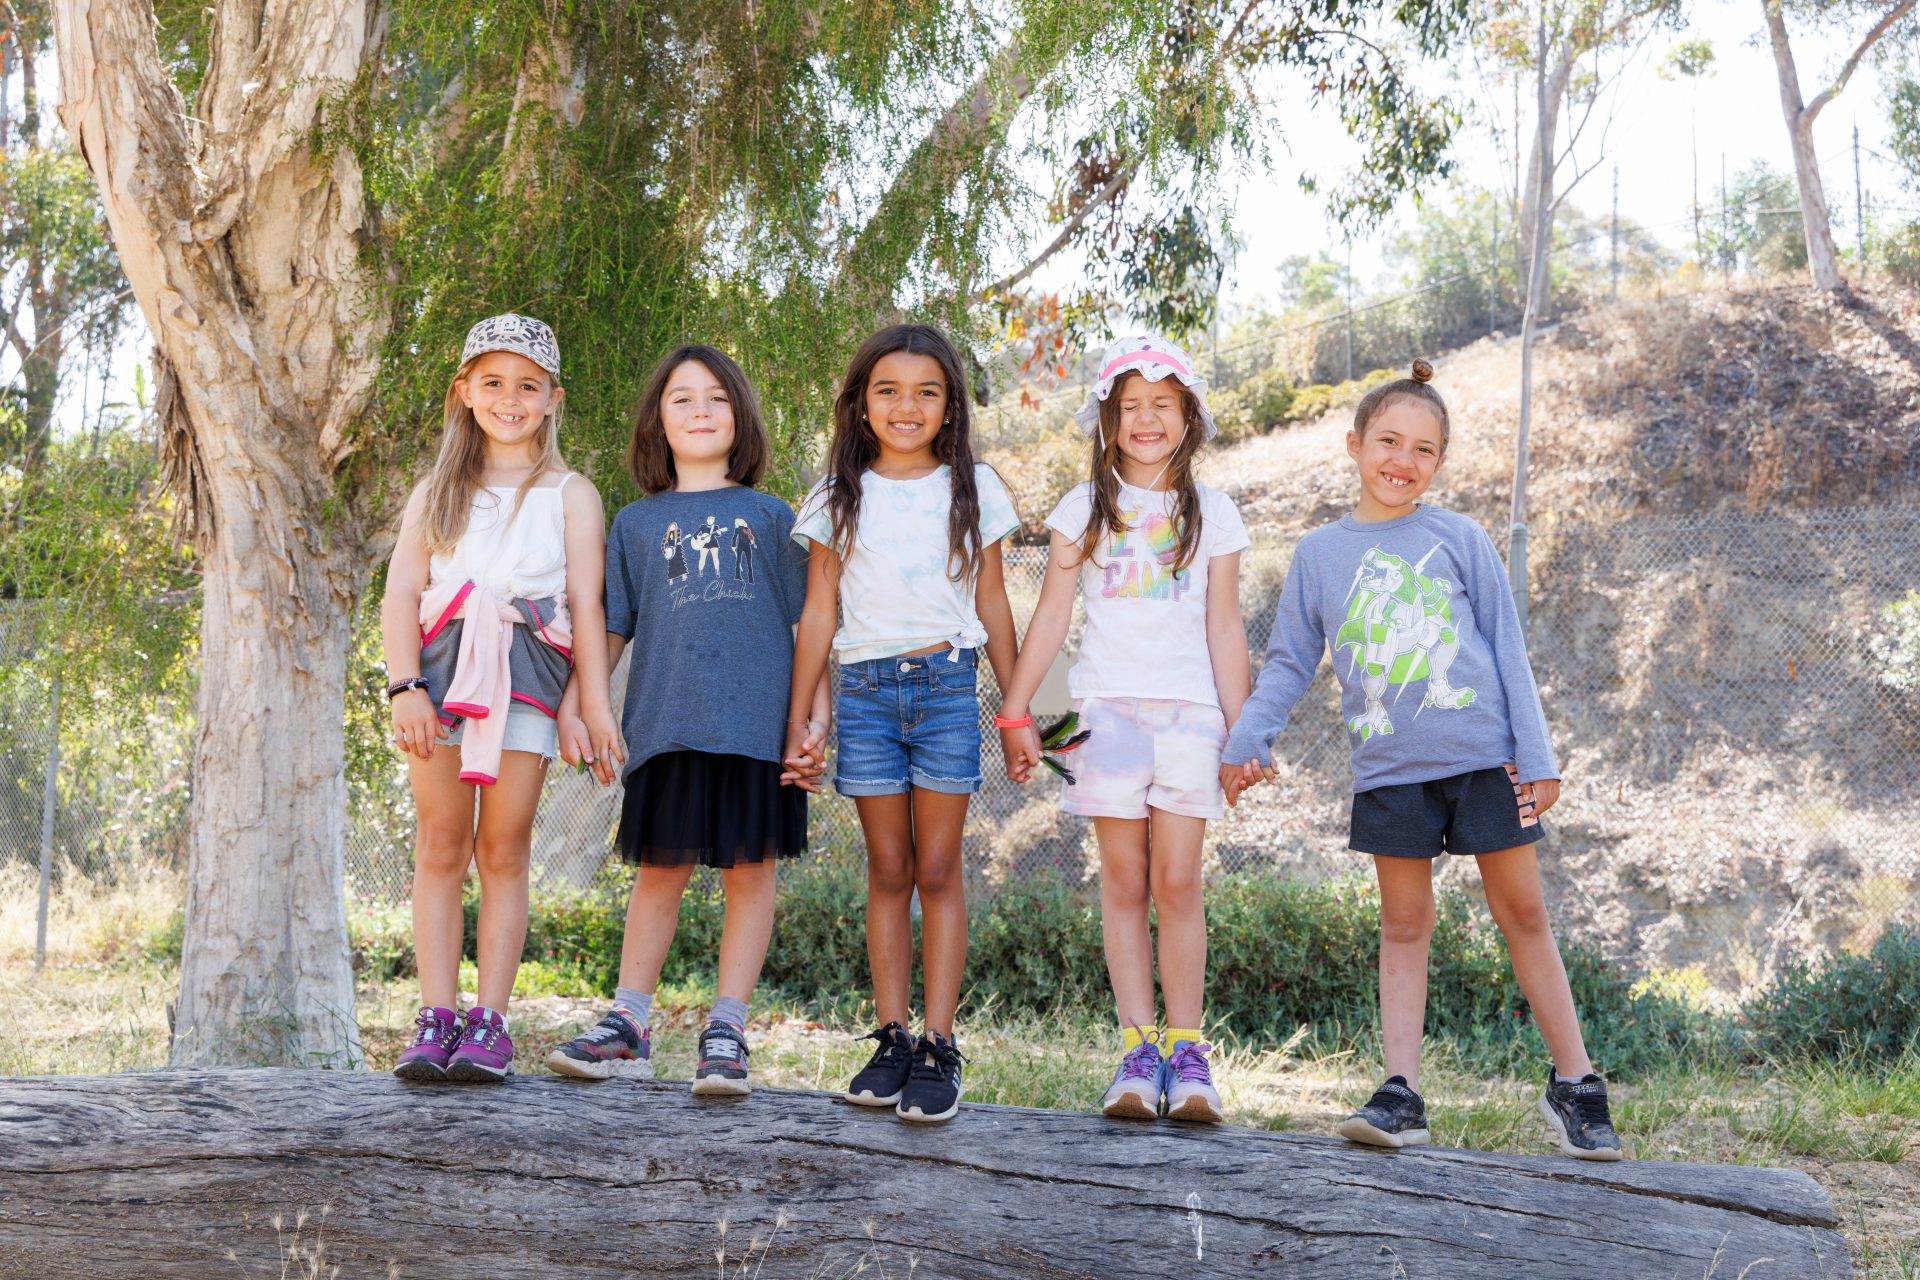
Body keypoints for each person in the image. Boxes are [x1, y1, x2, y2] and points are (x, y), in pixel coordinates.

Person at [1221, 360, 1622, 1160]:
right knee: (1404, 927)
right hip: (1390, 771)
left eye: (1424, 449)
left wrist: (1536, 755)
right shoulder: (1321, 554)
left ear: (1439, 462)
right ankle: (1401, 1094)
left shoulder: (1460, 537)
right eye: (1388, 442)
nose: (1403, 460)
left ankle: (1576, 1084)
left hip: (1483, 759)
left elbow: (1507, 647)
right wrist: (1248, 736)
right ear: (1355, 444)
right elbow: (1292, 661)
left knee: (1526, 916)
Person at [545, 345, 825, 1096]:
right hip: (665, 726)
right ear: (657, 423)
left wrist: (813, 717)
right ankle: (629, 1023)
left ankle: (727, 1030)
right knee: (659, 870)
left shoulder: (771, 519)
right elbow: (609, 628)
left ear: (741, 418)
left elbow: (809, 628)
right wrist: (577, 699)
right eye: (681, 399)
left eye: (716, 398)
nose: (700, 410)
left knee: (750, 871)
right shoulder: (637, 524)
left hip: (755, 729)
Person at [997, 334, 1250, 1123]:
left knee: (1177, 882)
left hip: (1190, 717)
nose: (1147, 419)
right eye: (1130, 405)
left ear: (1189, 417)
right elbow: (1050, 620)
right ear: (1107, 419)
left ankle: (1187, 1051)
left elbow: (1225, 630)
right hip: (1103, 716)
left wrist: (1242, 734)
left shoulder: (1218, 514)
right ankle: (1137, 1051)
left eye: (1163, 405)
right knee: (1124, 883)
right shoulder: (1082, 509)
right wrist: (1015, 709)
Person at [785, 323, 1020, 1124]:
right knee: (887, 867)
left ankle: (939, 1043)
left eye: (927, 391)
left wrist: (1020, 708)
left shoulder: (975, 486)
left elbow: (993, 603)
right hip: (866, 693)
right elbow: (818, 613)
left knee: (938, 866)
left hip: (949, 686)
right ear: (859, 405)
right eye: (887, 390)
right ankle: (891, 1037)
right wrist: (798, 719)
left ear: (950, 407)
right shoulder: (836, 495)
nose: (906, 405)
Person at [386, 313, 614, 1083]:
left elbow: (588, 605)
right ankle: (436, 1013)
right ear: (465, 392)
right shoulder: (438, 491)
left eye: (526, 386)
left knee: (504, 846)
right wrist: (406, 686)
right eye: (493, 384)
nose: (509, 399)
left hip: (525, 673)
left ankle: (490, 1020)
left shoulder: (570, 494)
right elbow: (399, 597)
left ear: (552, 398)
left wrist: (591, 702)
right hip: (443, 674)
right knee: (440, 843)